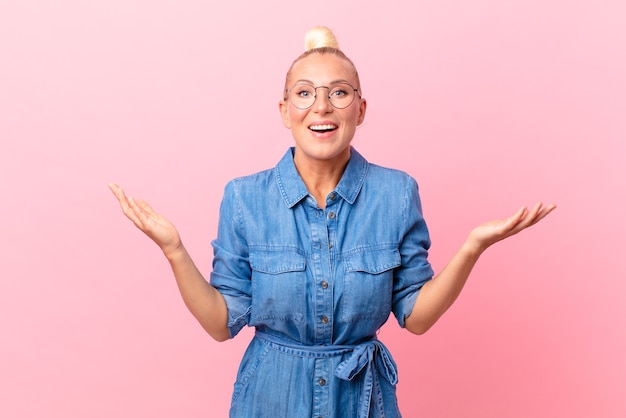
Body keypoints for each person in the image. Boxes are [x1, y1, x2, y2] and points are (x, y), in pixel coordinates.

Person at [109, 26, 555, 418]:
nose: (321, 106)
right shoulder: (244, 197)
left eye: (339, 92)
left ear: (359, 110)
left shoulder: (396, 194)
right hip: (270, 399)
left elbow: (416, 317)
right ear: (285, 111)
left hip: (362, 400)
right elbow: (220, 323)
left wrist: (473, 247)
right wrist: (173, 250)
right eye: (304, 93)